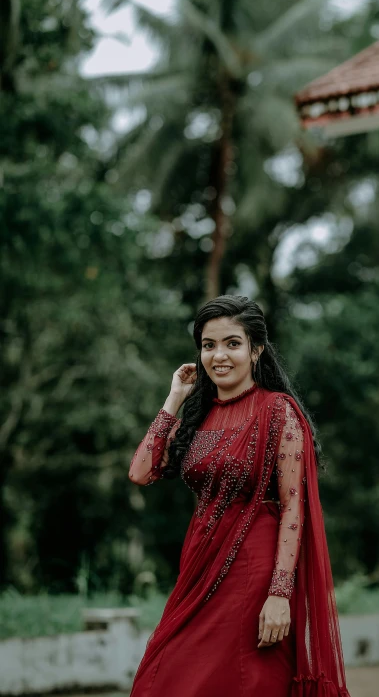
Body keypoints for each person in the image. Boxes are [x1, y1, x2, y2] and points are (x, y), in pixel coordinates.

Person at [128, 295, 350, 697]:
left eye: (232, 343)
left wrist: (280, 594)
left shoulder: (278, 411)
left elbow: (293, 507)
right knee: (166, 678)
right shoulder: (199, 416)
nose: (219, 356)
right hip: (199, 567)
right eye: (209, 345)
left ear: (256, 349)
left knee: (240, 681)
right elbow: (140, 471)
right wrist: (175, 396)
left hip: (254, 569)